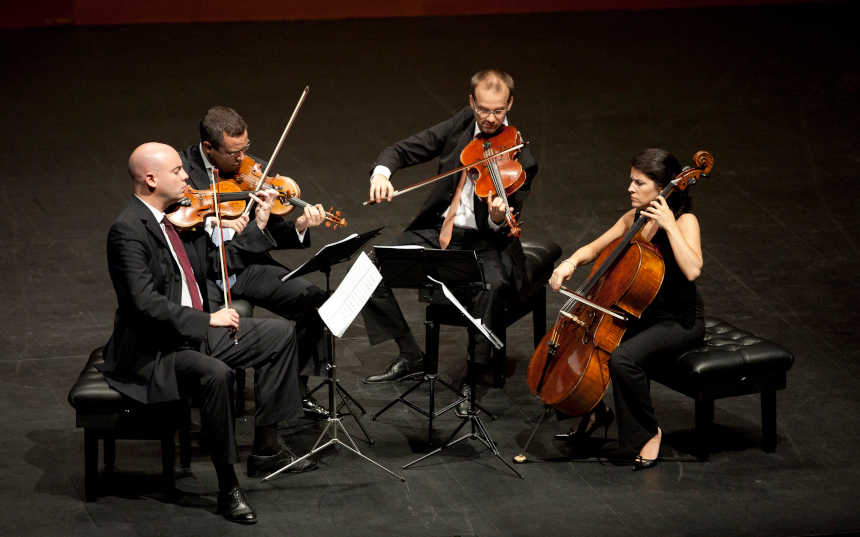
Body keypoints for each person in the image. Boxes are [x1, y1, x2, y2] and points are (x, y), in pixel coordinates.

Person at [99, 142, 315, 525]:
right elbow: (143, 304)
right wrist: (207, 321)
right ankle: (227, 486)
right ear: (151, 179)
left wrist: (256, 226)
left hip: (190, 332)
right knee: (216, 375)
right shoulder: (128, 231)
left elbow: (216, 263)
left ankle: (266, 447)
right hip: (156, 347)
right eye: (179, 171)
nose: (187, 177)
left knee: (280, 333)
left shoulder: (176, 219)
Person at [361, 69, 538, 402]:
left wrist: (500, 217)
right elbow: (400, 150)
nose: (490, 118)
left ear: (510, 104)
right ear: (471, 102)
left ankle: (475, 372)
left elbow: (507, 220)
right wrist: (381, 175)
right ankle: (410, 354)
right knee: (369, 266)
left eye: (498, 111)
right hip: (437, 229)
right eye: (483, 109)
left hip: (486, 242)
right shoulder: (460, 124)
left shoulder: (522, 158)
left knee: (494, 286)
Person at [548, 148, 705, 470]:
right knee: (577, 344)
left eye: (639, 183)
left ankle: (649, 432)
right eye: (630, 181)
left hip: (679, 321)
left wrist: (670, 226)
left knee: (624, 358)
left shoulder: (685, 221)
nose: (629, 189)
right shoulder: (634, 218)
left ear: (662, 188)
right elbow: (594, 247)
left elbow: (693, 270)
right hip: (640, 314)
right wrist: (570, 262)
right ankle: (591, 411)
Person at [180, 106, 330, 419]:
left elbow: (272, 232)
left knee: (314, 300)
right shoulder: (181, 174)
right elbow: (190, 245)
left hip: (246, 266)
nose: (243, 160)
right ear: (208, 148)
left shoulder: (253, 171)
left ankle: (297, 388)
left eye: (245, 148)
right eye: (234, 153)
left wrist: (300, 226)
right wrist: (248, 228)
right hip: (204, 274)